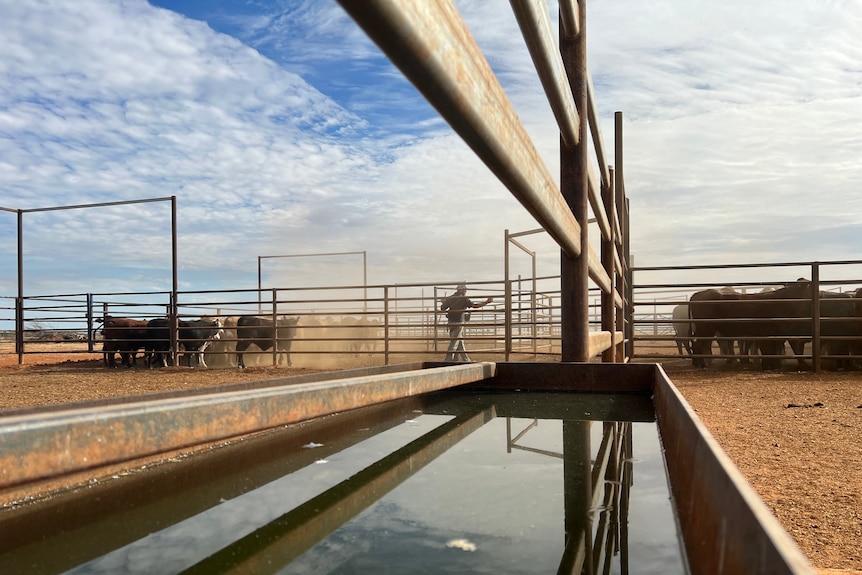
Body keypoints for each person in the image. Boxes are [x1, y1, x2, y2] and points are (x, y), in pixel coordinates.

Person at [440, 283, 493, 361]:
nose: (465, 291)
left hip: (450, 321)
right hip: (458, 321)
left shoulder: (450, 298)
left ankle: (465, 359)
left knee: (459, 342)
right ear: (461, 290)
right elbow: (474, 306)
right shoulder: (464, 298)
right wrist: (486, 302)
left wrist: (444, 302)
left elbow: (443, 308)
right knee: (454, 342)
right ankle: (448, 360)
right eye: (464, 289)